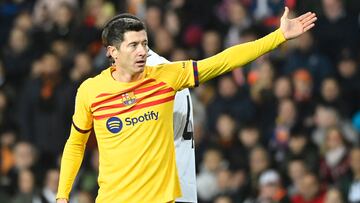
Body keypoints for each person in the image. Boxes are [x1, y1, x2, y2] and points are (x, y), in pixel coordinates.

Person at [56, 8, 317, 203]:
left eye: (145, 44)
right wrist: (62, 196)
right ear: (112, 52)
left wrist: (279, 36)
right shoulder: (90, 91)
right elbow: (75, 144)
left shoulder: (166, 77)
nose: (142, 52)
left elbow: (223, 61)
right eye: (133, 45)